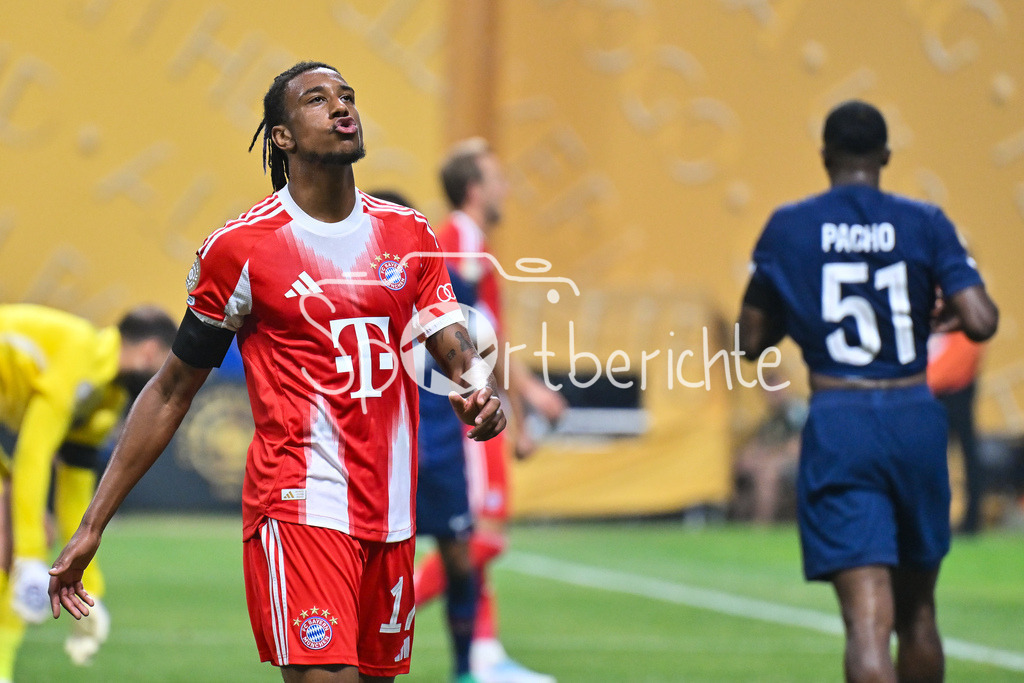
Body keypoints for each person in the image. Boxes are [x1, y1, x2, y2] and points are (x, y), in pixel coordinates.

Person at [48, 61, 506, 683]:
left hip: (391, 515)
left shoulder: (408, 233)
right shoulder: (241, 249)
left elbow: (451, 347)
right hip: (299, 508)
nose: (342, 107)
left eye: (347, 96)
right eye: (318, 100)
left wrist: (480, 392)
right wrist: (91, 524)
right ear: (283, 137)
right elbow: (172, 389)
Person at [737, 100, 998, 682]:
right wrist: (947, 314)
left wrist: (798, 312)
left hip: (841, 416)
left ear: (825, 156)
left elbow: (750, 338)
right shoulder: (925, 222)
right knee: (920, 613)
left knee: (865, 622)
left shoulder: (791, 226)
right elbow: (981, 318)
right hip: (912, 412)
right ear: (884, 156)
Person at [412, 139, 566, 683]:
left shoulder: (472, 241)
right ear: (475, 189)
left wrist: (523, 403)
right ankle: (394, 611)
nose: (505, 188)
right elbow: (467, 337)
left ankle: (483, 653)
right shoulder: (459, 240)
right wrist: (526, 397)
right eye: (496, 179)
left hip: (481, 403)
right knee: (478, 535)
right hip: (461, 411)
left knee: (478, 535)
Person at [0, 303, 176, 679]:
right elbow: (34, 452)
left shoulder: (107, 399)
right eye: (164, 365)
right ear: (150, 352)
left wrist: (87, 590)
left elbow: (76, 492)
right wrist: (29, 558)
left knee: (14, 534)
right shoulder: (80, 354)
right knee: (11, 537)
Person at [927, 330, 986, 534]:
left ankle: (972, 520)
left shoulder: (960, 315)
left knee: (967, 456)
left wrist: (925, 380)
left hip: (956, 393)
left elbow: (963, 355)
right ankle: (932, 519)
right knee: (930, 459)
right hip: (933, 395)